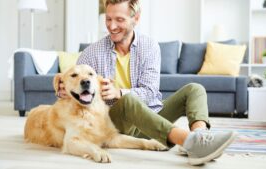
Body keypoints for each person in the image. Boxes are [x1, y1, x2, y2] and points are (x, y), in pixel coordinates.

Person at [58, 0, 236, 166]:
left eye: (119, 19)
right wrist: (62, 90)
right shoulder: (91, 53)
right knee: (127, 101)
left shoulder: (149, 46)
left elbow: (150, 92)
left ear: (136, 18)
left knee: (195, 89)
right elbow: (74, 85)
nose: (112, 26)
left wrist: (119, 92)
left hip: (152, 117)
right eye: (109, 19)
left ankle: (200, 138)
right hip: (116, 123)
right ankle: (188, 142)